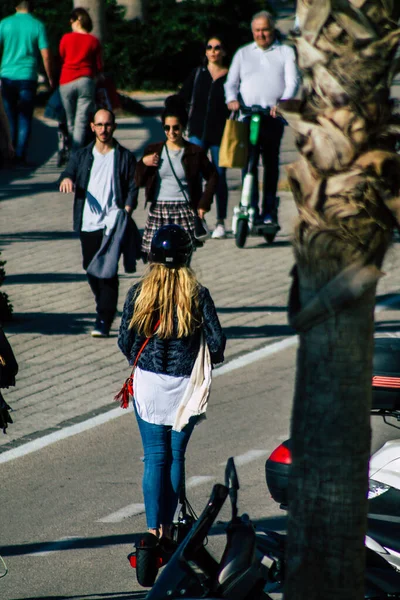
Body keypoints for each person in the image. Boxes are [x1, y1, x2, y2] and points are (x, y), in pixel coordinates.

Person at [118, 224, 225, 547]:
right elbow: (217, 343)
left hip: (149, 383)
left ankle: (152, 530)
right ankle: (168, 527)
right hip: (185, 386)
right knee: (176, 456)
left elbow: (125, 341)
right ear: (187, 256)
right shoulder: (197, 294)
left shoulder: (139, 292)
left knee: (154, 457)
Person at [59, 108, 138, 338]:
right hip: (88, 222)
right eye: (99, 125)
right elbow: (68, 171)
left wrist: (127, 208)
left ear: (114, 126)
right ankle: (105, 305)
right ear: (92, 127)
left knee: (108, 270)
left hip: (112, 222)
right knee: (91, 268)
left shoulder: (123, 156)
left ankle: (103, 317)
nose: (104, 129)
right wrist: (66, 179)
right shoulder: (82, 155)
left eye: (108, 125)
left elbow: (133, 185)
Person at [224, 10, 299, 226]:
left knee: (270, 163)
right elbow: (231, 82)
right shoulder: (243, 53)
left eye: (265, 29)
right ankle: (250, 206)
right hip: (248, 115)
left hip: (272, 116)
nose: (261, 34)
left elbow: (292, 81)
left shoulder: (285, 52)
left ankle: (268, 211)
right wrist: (232, 99)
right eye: (257, 30)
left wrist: (283, 102)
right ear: (252, 31)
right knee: (249, 163)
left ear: (273, 29)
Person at [135, 95, 218, 261]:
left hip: (184, 210)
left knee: (181, 262)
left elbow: (213, 176)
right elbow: (138, 181)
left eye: (176, 128)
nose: (171, 132)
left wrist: (203, 205)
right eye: (167, 128)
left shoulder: (194, 151)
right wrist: (143, 163)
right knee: (156, 262)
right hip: (159, 210)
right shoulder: (154, 150)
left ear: (183, 127)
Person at [179, 36, 230, 239]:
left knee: (218, 176)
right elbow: (183, 97)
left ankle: (221, 221)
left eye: (217, 47)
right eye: (209, 47)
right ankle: (198, 218)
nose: (213, 51)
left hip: (221, 133)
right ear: (205, 52)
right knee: (195, 175)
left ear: (224, 52)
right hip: (197, 131)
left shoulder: (230, 76)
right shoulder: (198, 73)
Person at [0, 0, 54, 166]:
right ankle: (20, 155)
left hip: (7, 75)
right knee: (25, 116)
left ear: (15, 6)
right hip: (28, 75)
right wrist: (50, 77)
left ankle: (9, 151)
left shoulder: (4, 23)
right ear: (31, 7)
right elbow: (45, 55)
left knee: (8, 116)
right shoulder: (37, 25)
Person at [59, 7, 103, 151]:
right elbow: (98, 65)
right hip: (85, 80)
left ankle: (73, 150)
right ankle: (76, 153)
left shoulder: (66, 38)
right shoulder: (93, 41)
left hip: (66, 80)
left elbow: (62, 56)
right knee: (81, 120)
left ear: (76, 21)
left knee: (70, 120)